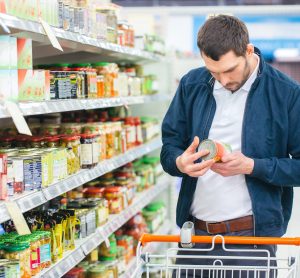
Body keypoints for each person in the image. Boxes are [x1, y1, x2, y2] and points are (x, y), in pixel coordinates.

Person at [160, 14, 300, 278]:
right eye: (214, 72)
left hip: (252, 241)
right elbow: (169, 146)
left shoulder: (286, 94)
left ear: (248, 50)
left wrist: (252, 166)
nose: (222, 81)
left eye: (229, 70)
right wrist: (179, 162)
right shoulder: (192, 84)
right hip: (195, 239)